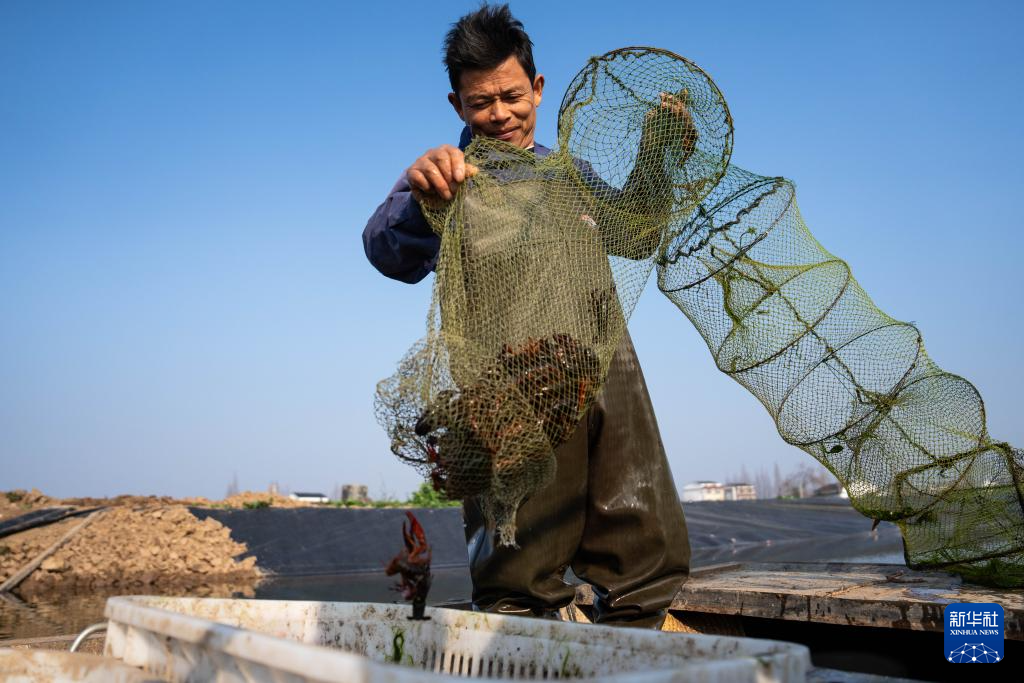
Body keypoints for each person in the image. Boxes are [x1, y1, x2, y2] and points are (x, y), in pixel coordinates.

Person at [362, 4, 690, 628]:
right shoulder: (447, 179)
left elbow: (636, 233)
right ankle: (520, 644)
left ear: (537, 89)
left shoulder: (572, 174)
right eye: (481, 102)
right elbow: (383, 250)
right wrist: (416, 196)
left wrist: (657, 158)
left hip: (606, 372)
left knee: (641, 545)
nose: (500, 114)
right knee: (518, 560)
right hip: (508, 389)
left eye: (512, 96)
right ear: (457, 104)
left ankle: (641, 645)